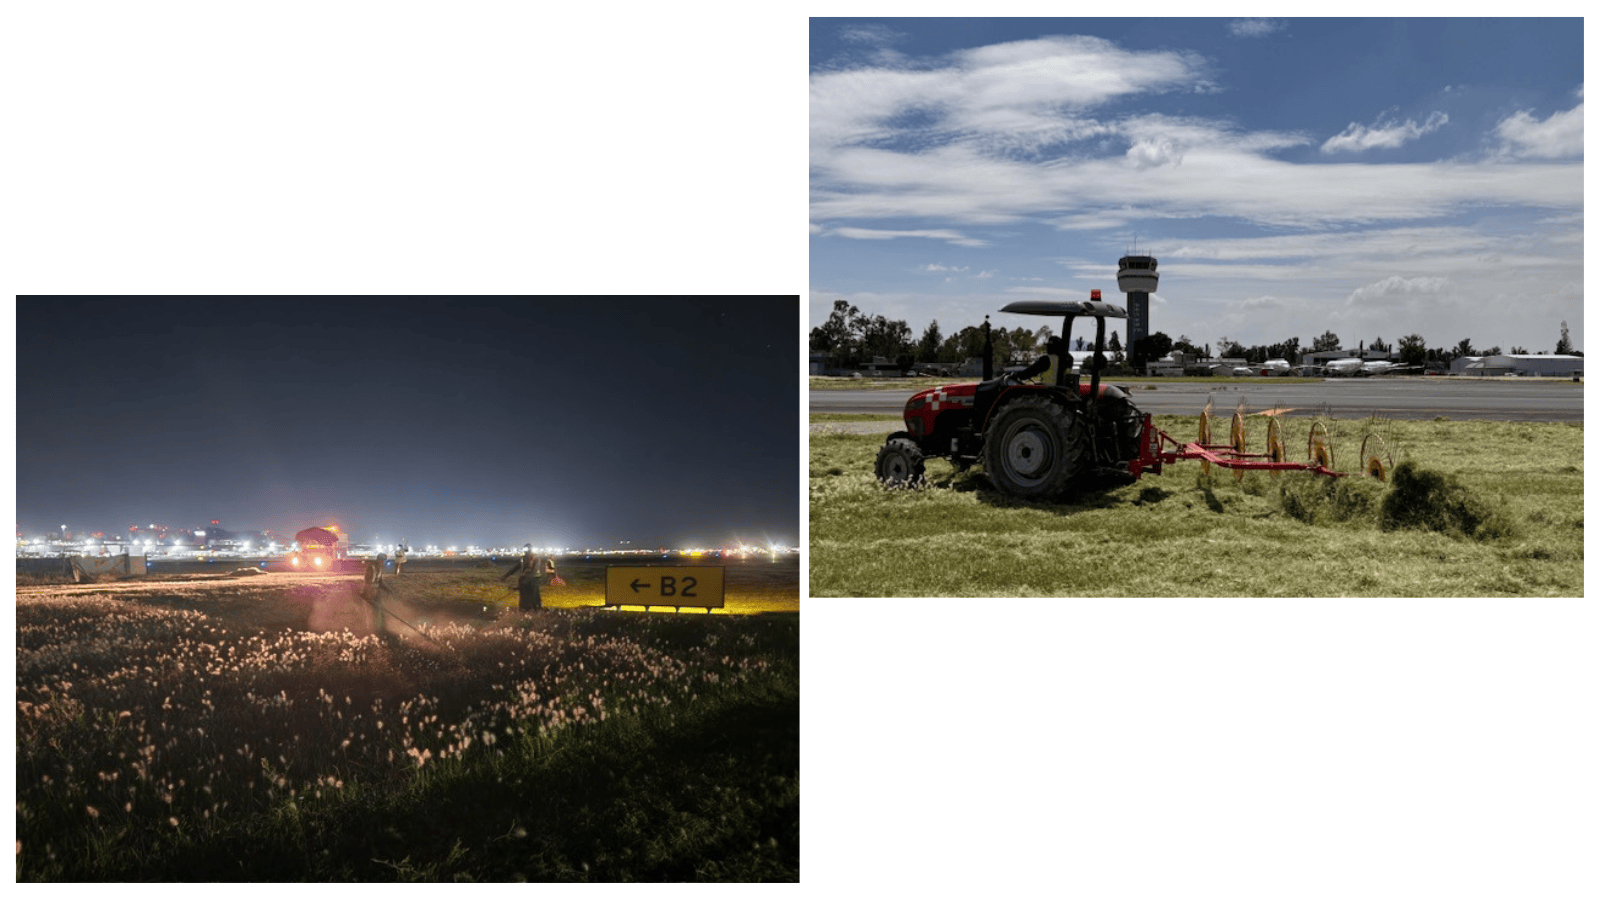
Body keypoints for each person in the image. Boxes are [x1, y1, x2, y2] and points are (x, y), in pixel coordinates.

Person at [501, 545, 556, 612]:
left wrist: (525, 581)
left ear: (530, 551)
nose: (526, 552)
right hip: (524, 580)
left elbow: (534, 570)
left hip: (533, 580)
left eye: (527, 551)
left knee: (534, 597)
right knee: (523, 598)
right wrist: (506, 576)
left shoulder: (536, 559)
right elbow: (515, 568)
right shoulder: (523, 559)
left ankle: (536, 611)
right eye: (525, 551)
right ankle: (524, 611)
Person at [364, 553, 390, 633]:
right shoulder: (371, 568)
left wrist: (387, 589)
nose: (383, 564)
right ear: (379, 561)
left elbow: (380, 582)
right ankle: (373, 629)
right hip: (369, 592)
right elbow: (367, 582)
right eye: (383, 561)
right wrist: (368, 595)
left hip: (376, 592)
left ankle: (382, 628)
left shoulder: (379, 568)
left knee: (380, 610)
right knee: (373, 611)